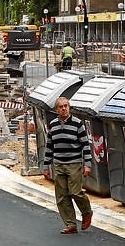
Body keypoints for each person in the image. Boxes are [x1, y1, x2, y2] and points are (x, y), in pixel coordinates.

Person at [43, 97, 93, 234]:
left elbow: (85, 146)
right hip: (58, 165)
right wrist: (46, 166)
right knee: (62, 196)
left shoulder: (78, 124)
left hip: (74, 164)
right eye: (61, 107)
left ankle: (87, 212)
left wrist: (87, 164)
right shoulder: (52, 125)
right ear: (56, 110)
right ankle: (70, 224)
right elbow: (49, 147)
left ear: (69, 107)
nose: (64, 108)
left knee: (75, 192)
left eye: (66, 106)